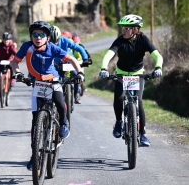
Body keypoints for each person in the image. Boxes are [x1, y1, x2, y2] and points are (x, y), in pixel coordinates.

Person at [11, 21, 85, 170]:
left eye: (42, 35)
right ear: (31, 36)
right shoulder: (27, 47)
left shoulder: (52, 48)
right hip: (37, 84)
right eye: (35, 35)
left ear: (48, 38)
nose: (38, 38)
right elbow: (15, 62)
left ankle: (64, 122)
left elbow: (71, 58)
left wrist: (80, 73)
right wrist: (18, 73)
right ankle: (34, 156)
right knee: (35, 122)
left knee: (59, 102)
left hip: (53, 81)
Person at [99, 14, 163, 147]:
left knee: (138, 102)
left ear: (135, 30)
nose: (123, 30)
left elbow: (157, 55)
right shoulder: (119, 41)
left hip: (137, 75)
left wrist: (158, 67)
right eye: (123, 28)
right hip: (121, 75)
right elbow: (108, 55)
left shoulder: (143, 40)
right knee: (119, 98)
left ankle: (143, 134)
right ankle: (118, 122)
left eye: (127, 28)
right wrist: (104, 68)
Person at [50, 25, 91, 104]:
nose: (55, 43)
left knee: (77, 75)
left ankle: (77, 94)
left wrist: (85, 58)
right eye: (52, 41)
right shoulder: (46, 43)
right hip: (56, 64)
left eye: (56, 41)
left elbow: (79, 47)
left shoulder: (65, 40)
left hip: (68, 62)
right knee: (56, 80)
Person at [0, 32, 17, 101]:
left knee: (12, 68)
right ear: (3, 40)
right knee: (0, 76)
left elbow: (15, 52)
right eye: (5, 39)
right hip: (1, 61)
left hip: (9, 61)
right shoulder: (0, 45)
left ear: (10, 40)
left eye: (8, 39)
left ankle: (12, 79)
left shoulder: (12, 45)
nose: (6, 41)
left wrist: (18, 56)